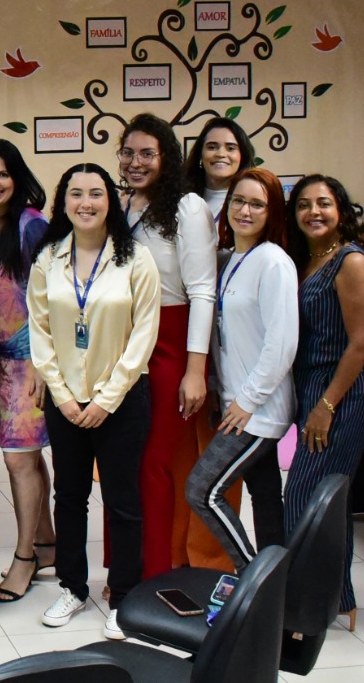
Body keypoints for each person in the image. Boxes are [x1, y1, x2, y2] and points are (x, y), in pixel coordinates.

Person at [28, 162, 160, 640]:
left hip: (121, 399)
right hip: (66, 402)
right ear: (63, 202)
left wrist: (107, 397)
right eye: (76, 193)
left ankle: (124, 597)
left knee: (124, 501)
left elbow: (145, 333)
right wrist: (62, 396)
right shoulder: (48, 258)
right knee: (70, 497)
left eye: (97, 193)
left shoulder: (136, 258)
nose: (86, 202)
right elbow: (38, 331)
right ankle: (73, 587)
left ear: (111, 201)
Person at [117, 113, 222, 577]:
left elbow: (202, 289)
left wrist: (195, 369)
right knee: (127, 460)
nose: (136, 162)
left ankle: (155, 572)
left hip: (170, 341)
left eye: (146, 153)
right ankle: (126, 566)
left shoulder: (187, 207)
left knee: (154, 462)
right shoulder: (122, 204)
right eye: (128, 152)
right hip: (124, 341)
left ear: (166, 157)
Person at [184, 168, 296, 569]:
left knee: (202, 491)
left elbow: (281, 344)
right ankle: (277, 579)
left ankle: (253, 575)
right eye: (238, 201)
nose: (244, 211)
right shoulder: (232, 260)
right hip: (236, 402)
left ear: (273, 212)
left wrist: (247, 402)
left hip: (257, 410)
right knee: (266, 496)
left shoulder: (274, 262)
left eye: (257, 204)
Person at [282, 174, 364, 630]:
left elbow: (360, 343)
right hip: (314, 389)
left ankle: (302, 606)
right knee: (329, 502)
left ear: (341, 209)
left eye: (323, 203)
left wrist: (327, 404)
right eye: (304, 204)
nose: (313, 212)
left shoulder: (351, 261)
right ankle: (337, 598)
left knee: (302, 496)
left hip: (342, 394)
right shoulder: (310, 259)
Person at [0, 139, 55, 604]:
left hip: (32, 361)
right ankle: (46, 544)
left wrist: (45, 361)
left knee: (19, 459)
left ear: (17, 177)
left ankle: (24, 557)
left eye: (2, 174)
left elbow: (50, 296)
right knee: (27, 457)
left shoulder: (32, 225)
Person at [184, 115, 255, 221]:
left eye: (230, 148)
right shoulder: (181, 198)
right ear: (200, 154)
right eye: (212, 147)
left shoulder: (254, 201)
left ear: (242, 156)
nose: (221, 154)